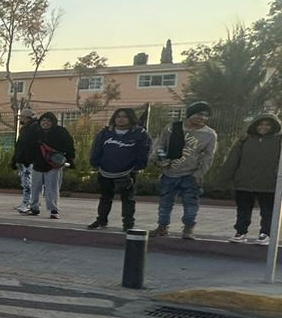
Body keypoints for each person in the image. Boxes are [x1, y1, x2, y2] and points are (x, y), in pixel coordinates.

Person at [210, 113, 280, 245]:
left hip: (269, 184)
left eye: (267, 125)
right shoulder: (244, 140)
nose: (263, 127)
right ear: (255, 125)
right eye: (260, 124)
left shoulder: (279, 141)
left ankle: (265, 234)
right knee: (243, 211)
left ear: (273, 126)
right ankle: (240, 232)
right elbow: (232, 161)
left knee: (268, 212)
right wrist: (220, 184)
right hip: (244, 183)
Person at [152, 101, 218, 239]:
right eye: (200, 114)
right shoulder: (172, 128)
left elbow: (208, 156)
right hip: (169, 172)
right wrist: (160, 160)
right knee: (165, 202)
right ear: (191, 113)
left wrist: (199, 173)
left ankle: (188, 228)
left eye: (206, 116)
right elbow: (160, 145)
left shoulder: (209, 134)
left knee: (191, 203)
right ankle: (162, 227)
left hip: (190, 174)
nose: (203, 118)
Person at [87, 108, 152, 230]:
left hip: (127, 172)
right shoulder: (105, 133)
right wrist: (96, 163)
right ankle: (101, 220)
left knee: (128, 199)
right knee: (105, 197)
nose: (120, 119)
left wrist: (137, 167)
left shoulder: (140, 134)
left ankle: (128, 224)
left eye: (124, 116)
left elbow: (144, 152)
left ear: (131, 118)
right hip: (105, 171)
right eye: (118, 116)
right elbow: (96, 149)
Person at [23, 112, 76, 219]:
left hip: (54, 165)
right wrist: (26, 159)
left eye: (48, 121)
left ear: (53, 122)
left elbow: (69, 146)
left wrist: (69, 159)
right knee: (35, 187)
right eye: (43, 120)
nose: (45, 123)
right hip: (38, 163)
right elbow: (28, 146)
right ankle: (34, 208)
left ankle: (53, 209)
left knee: (52, 188)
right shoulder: (35, 132)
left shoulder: (60, 132)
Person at [12, 111, 40, 213]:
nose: (20, 119)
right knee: (25, 181)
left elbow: (28, 145)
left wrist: (27, 158)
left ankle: (28, 202)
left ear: (27, 117)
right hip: (24, 159)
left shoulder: (32, 128)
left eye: (22, 117)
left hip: (28, 160)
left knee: (28, 182)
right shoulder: (26, 128)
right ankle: (26, 201)